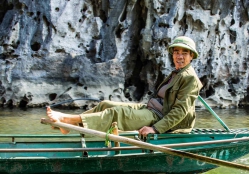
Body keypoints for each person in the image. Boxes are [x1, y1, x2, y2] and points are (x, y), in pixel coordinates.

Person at [46, 36, 203, 137]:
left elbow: (180, 112)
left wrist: (155, 129)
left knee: (117, 114)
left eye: (184, 53)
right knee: (105, 104)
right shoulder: (177, 73)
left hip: (161, 118)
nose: (179, 56)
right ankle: (70, 126)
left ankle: (66, 119)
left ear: (191, 56)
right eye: (176, 52)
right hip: (151, 109)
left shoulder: (190, 78)